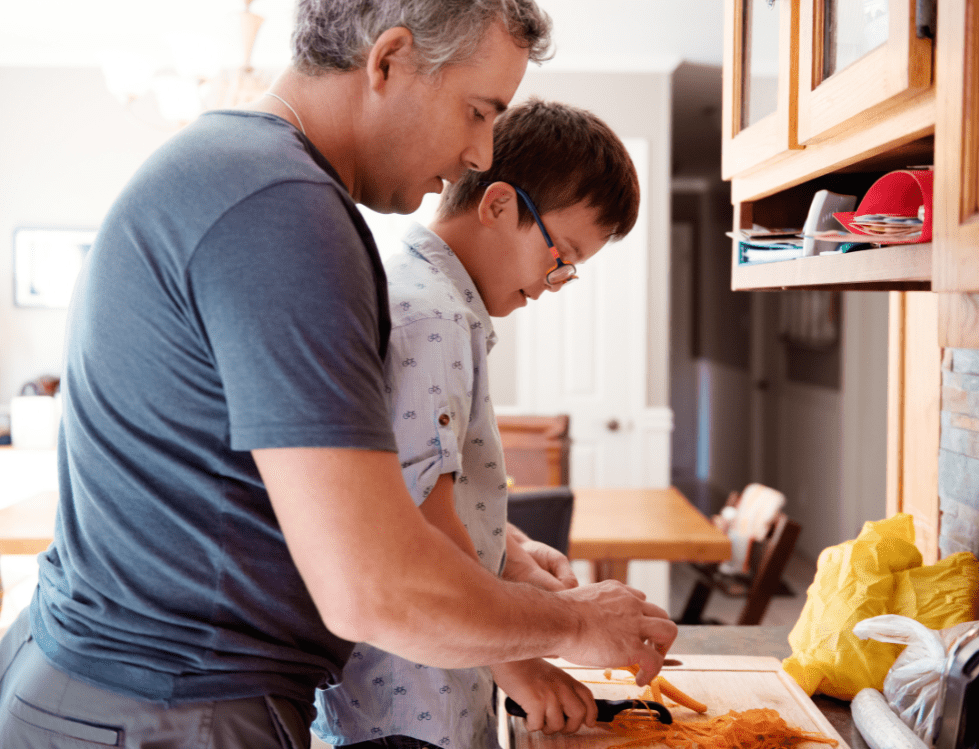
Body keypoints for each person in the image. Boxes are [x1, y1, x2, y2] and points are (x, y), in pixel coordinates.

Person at [0, 1, 677, 746]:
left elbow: (328, 489)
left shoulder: (237, 172)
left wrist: (502, 549)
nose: (481, 154)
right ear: (387, 61)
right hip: (169, 703)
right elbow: (374, 588)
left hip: (109, 681)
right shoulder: (283, 212)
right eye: (476, 111)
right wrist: (575, 624)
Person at [313, 98, 643, 749]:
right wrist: (521, 663)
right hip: (408, 700)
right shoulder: (431, 317)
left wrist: (509, 550)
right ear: (496, 205)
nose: (559, 280)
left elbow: (421, 482)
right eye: (562, 252)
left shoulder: (431, 299)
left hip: (418, 683)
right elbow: (418, 533)